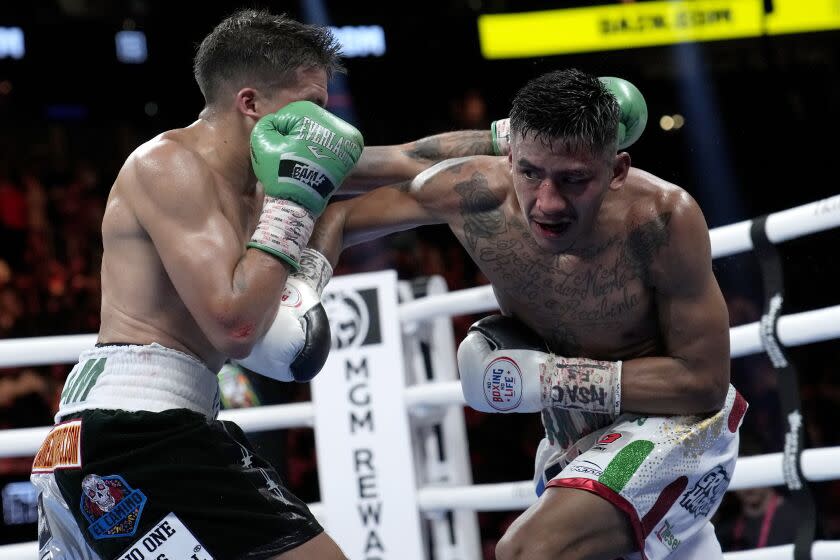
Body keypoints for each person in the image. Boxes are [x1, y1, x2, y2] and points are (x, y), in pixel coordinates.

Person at [29, 9, 499, 560]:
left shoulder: (264, 174)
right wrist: (298, 206)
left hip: (138, 429)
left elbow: (407, 159)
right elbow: (237, 325)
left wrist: (521, 140)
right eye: (314, 108)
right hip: (137, 431)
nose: (327, 129)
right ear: (251, 104)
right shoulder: (170, 166)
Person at [308, 68, 748, 559]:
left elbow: (705, 382)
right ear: (509, 157)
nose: (548, 203)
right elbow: (338, 213)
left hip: (678, 427)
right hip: (573, 437)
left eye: (574, 179)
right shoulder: (474, 195)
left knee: (528, 550)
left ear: (617, 171)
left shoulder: (662, 220)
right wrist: (301, 285)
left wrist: (555, 378)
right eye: (531, 173)